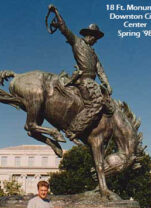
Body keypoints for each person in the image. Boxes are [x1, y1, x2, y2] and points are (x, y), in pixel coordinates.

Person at [47, 4, 114, 142]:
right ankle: (73, 130)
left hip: (92, 83)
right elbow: (64, 28)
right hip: (83, 81)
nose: (96, 40)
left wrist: (106, 83)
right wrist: (56, 12)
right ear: (90, 35)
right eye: (95, 37)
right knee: (97, 103)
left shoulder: (93, 53)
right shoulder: (76, 42)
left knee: (108, 105)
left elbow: (99, 69)